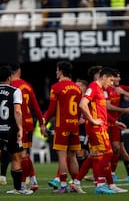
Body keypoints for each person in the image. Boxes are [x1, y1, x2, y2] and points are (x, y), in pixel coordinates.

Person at [0, 63, 45, 191]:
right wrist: (42, 122)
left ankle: (22, 184)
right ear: (19, 71)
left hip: (16, 124)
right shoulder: (27, 85)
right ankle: (33, 180)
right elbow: (35, 106)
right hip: (28, 123)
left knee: (20, 156)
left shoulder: (10, 87)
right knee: (23, 154)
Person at [77, 67, 127, 194]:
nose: (111, 84)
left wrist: (114, 122)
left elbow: (102, 111)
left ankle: (77, 182)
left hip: (101, 126)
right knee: (108, 153)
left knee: (94, 157)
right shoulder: (93, 87)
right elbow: (82, 104)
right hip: (96, 128)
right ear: (104, 77)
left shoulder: (100, 89)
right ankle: (100, 185)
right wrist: (93, 120)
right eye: (110, 80)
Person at [0, 66, 33, 195]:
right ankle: (17, 189)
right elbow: (17, 110)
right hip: (10, 128)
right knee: (16, 157)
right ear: (9, 77)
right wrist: (20, 128)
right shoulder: (15, 91)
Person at [40, 61, 83, 194]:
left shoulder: (56, 87)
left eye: (57, 70)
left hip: (62, 126)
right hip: (74, 125)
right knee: (73, 156)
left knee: (62, 156)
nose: (56, 72)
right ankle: (76, 184)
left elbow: (51, 109)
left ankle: (63, 186)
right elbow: (80, 109)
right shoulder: (78, 88)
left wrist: (43, 123)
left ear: (61, 71)